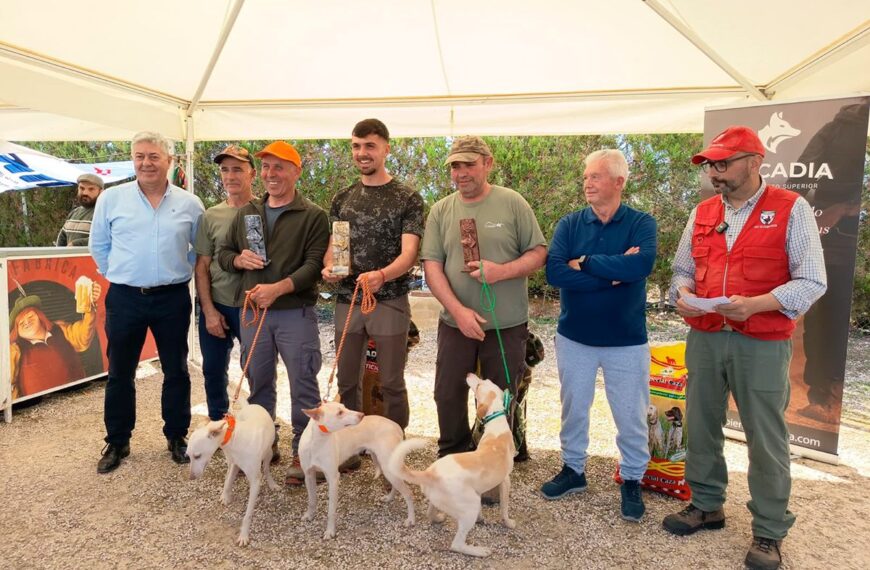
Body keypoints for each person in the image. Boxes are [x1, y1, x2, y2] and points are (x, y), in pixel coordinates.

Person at [663, 126, 826, 570]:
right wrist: (680, 293)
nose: (714, 172)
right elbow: (681, 270)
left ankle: (770, 531)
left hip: (762, 341)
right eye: (710, 165)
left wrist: (757, 305)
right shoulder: (701, 213)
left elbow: (812, 280)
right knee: (700, 422)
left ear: (755, 161)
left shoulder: (792, 208)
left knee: (766, 436)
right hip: (706, 335)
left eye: (723, 163)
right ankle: (706, 503)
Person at [539, 149, 657, 523]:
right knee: (574, 408)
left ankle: (633, 479)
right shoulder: (570, 224)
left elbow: (642, 264)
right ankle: (573, 470)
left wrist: (587, 262)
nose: (587, 183)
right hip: (575, 337)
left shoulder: (641, 223)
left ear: (619, 182)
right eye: (586, 176)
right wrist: (614, 276)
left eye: (596, 176)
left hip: (626, 340)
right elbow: (555, 273)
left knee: (631, 414)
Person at [420, 135, 547, 461]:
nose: (461, 173)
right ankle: (452, 459)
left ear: (488, 164)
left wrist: (500, 272)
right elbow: (432, 266)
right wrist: (458, 311)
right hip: (455, 323)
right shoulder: (441, 210)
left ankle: (492, 464)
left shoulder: (512, 202)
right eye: (455, 166)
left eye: (469, 165)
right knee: (447, 394)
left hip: (506, 325)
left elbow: (538, 253)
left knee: (501, 398)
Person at [89, 131, 205, 474]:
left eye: (153, 156)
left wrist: (176, 271)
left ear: (169, 161)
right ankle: (118, 440)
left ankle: (176, 435)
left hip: (171, 297)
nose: (146, 163)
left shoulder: (189, 203)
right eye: (139, 156)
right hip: (125, 297)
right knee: (120, 371)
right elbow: (99, 245)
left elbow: (198, 250)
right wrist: (123, 274)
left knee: (177, 369)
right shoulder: (111, 199)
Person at [216, 140, 329, 480]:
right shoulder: (247, 213)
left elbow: (313, 266)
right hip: (253, 313)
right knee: (259, 383)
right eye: (265, 167)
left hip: (295, 312)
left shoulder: (314, 215)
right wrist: (238, 259)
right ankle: (264, 447)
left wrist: (277, 289)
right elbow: (223, 253)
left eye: (279, 166)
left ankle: (305, 454)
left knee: (304, 384)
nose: (270, 174)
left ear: (296, 171)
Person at [321, 119, 424, 459]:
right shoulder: (343, 197)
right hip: (347, 300)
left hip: (390, 300)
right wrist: (330, 269)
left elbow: (409, 253)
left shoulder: (407, 197)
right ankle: (348, 448)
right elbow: (336, 249)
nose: (362, 153)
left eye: (369, 146)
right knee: (347, 380)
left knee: (392, 382)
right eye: (356, 146)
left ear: (385, 148)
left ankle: (394, 451)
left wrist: (382, 275)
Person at [194, 145, 256, 423]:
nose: (230, 176)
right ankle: (219, 425)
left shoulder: (265, 211)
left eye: (238, 169)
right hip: (217, 303)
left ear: (252, 173)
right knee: (213, 369)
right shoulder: (211, 216)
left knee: (256, 369)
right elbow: (202, 265)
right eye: (225, 169)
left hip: (252, 306)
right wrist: (208, 310)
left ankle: (263, 428)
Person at [9, 287, 101, 399]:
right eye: (21, 323)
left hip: (76, 396)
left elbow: (83, 336)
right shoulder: (15, 350)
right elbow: (7, 381)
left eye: (30, 316)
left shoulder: (60, 330)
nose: (26, 322)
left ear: (40, 317)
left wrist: (89, 306)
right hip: (39, 406)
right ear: (16, 330)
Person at [56, 173, 104, 246]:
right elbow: (62, 238)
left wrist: (76, 244)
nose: (85, 193)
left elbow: (104, 238)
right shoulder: (75, 212)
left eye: (91, 189)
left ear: (101, 192)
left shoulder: (105, 213)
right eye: (82, 188)